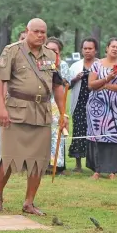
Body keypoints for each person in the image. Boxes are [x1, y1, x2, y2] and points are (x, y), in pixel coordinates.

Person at [0, 18, 67, 216]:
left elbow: (57, 85)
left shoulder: (50, 55)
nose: (41, 35)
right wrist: (1, 108)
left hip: (41, 112)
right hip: (15, 111)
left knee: (38, 161)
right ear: (27, 31)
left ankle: (29, 202)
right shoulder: (12, 50)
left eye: (44, 32)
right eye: (37, 31)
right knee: (8, 158)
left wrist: (63, 111)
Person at [86, 37, 117, 180]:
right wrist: (107, 78)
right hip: (97, 107)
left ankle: (113, 171)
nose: (115, 49)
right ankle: (97, 170)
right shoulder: (96, 65)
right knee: (97, 137)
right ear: (107, 48)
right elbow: (91, 85)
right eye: (113, 46)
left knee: (115, 137)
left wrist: (106, 86)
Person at [67, 37, 99, 172]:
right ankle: (78, 164)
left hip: (96, 104)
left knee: (96, 132)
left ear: (95, 50)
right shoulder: (75, 66)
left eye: (90, 48)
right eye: (85, 48)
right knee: (78, 132)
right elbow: (67, 86)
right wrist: (75, 79)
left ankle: (95, 164)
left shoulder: (100, 64)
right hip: (79, 103)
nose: (87, 51)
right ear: (81, 50)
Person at [45, 37, 70, 174]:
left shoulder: (63, 65)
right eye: (49, 49)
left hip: (57, 102)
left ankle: (57, 165)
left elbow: (66, 84)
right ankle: (41, 163)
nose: (52, 52)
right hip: (42, 102)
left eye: (55, 50)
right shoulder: (41, 63)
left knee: (56, 133)